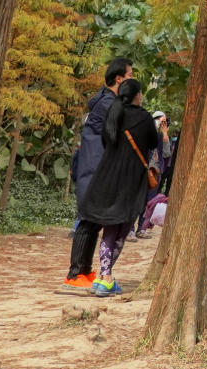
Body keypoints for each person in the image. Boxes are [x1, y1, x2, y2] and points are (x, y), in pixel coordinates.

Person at [66, 77, 158, 295]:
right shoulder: (144, 118)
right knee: (123, 228)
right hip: (130, 181)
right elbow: (153, 143)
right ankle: (105, 277)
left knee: (109, 228)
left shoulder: (113, 114)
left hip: (107, 178)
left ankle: (102, 278)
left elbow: (107, 142)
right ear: (138, 95)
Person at [68, 56, 132, 271]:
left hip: (97, 170)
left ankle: (84, 270)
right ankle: (75, 272)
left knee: (93, 222)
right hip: (94, 171)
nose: (132, 81)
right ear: (119, 78)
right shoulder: (107, 105)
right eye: (130, 76)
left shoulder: (107, 102)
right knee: (87, 222)